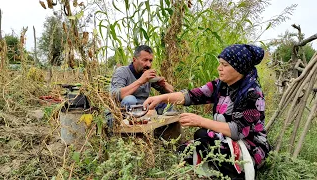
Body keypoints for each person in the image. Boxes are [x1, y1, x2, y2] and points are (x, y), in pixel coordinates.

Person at [143, 44, 270, 179]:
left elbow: (236, 131)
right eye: (220, 63)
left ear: (240, 67)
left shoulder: (252, 94)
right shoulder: (221, 85)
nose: (219, 68)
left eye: (224, 65)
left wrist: (200, 121)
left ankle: (234, 175)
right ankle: (217, 167)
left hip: (249, 146)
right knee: (184, 150)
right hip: (225, 139)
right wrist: (161, 98)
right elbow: (191, 95)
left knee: (202, 135)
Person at [110, 45, 174, 110]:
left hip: (144, 107)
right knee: (130, 99)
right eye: (145, 60)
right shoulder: (122, 71)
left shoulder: (148, 74)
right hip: (127, 109)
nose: (148, 65)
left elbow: (171, 91)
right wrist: (141, 81)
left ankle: (164, 119)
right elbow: (115, 95)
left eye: (150, 61)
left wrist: (164, 85)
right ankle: (129, 120)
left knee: (168, 99)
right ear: (134, 60)